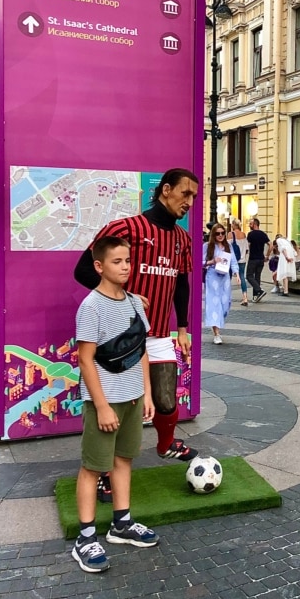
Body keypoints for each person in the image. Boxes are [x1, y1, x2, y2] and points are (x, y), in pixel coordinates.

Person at [74, 168, 199, 504]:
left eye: (194, 197)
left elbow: (182, 285)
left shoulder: (183, 240)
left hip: (158, 334)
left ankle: (165, 443)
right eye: (185, 194)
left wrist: (183, 328)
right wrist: (124, 296)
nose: (190, 202)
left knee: (166, 399)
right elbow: (83, 269)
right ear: (166, 190)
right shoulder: (126, 229)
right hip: (121, 338)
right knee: (117, 408)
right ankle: (102, 475)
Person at [73, 237, 159, 573]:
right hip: (104, 401)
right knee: (93, 467)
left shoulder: (136, 303)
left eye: (127, 260)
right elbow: (85, 360)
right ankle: (85, 538)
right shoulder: (91, 306)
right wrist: (103, 405)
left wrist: (147, 393)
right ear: (99, 266)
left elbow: (141, 351)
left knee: (124, 460)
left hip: (133, 396)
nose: (125, 267)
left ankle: (121, 524)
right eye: (116, 261)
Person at [203, 222, 240, 344]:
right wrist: (212, 261)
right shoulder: (207, 246)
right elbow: (200, 261)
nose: (220, 235)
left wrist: (237, 274)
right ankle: (216, 333)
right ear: (213, 234)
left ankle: (218, 322)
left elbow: (233, 261)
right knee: (214, 304)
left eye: (222, 233)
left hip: (225, 278)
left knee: (225, 304)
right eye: (217, 233)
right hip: (212, 276)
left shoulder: (228, 246)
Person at [246, 217, 270, 303]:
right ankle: (256, 296)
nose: (249, 225)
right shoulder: (263, 234)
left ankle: (259, 290)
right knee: (257, 277)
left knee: (249, 276)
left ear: (255, 224)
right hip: (261, 259)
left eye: (251, 224)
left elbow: (248, 245)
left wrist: (246, 252)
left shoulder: (250, 234)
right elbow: (270, 245)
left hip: (253, 258)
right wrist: (267, 255)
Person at [228, 218, 249, 305]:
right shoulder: (244, 235)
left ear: (234, 225)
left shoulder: (230, 234)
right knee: (242, 277)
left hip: (232, 260)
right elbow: (247, 249)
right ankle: (245, 298)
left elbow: (227, 247)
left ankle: (226, 296)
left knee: (228, 278)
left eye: (232, 224)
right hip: (242, 260)